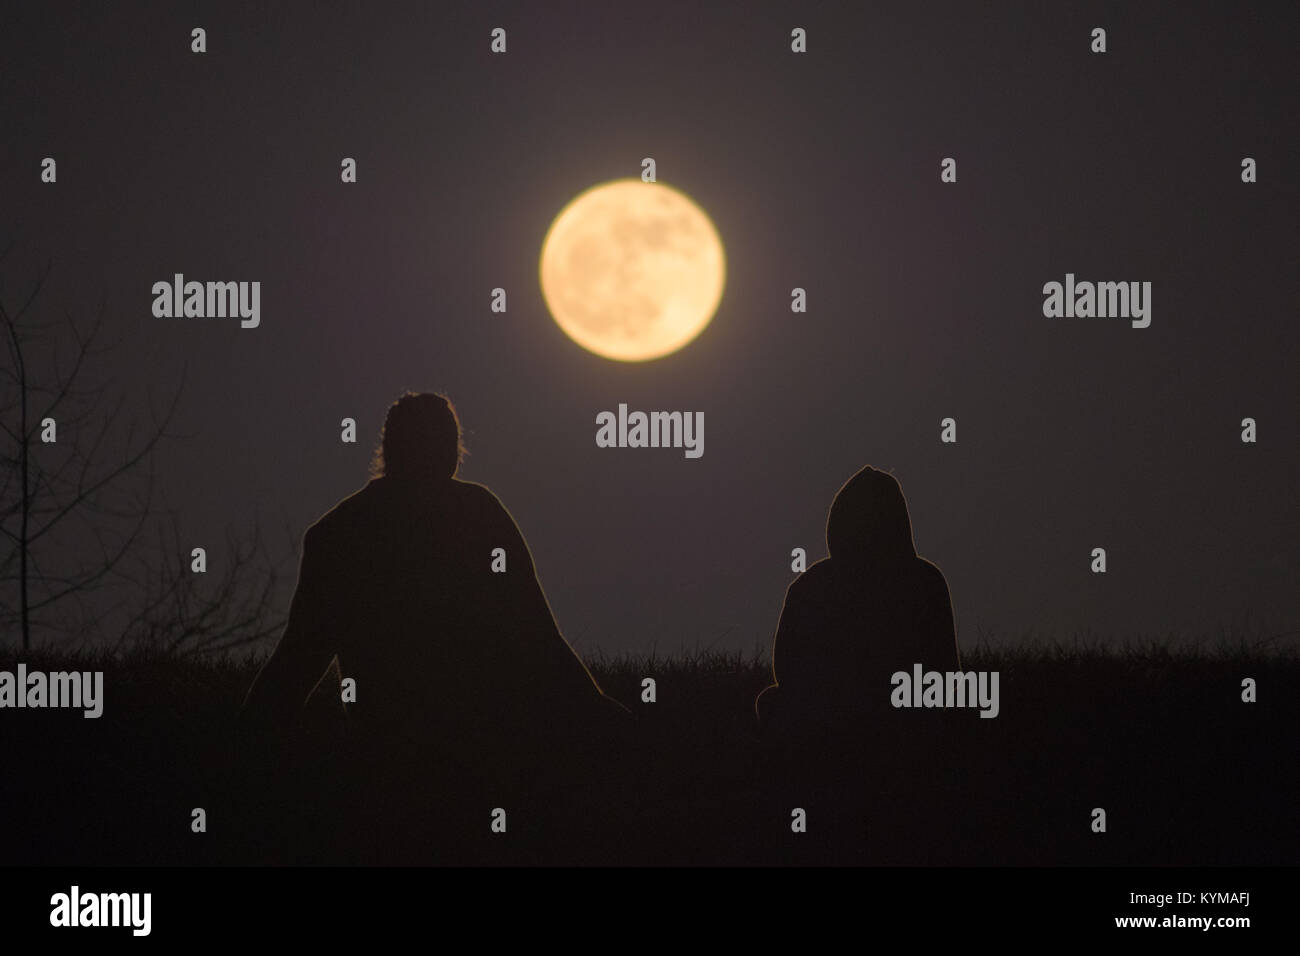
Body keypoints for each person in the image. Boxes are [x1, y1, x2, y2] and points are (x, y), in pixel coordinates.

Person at [240, 391, 617, 762]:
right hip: (487, 739)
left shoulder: (337, 532)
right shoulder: (479, 515)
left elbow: (294, 667)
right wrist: (603, 716)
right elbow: (540, 639)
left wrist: (238, 752)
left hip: (387, 743)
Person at [756, 465, 958, 733]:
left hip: (829, 721)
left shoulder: (812, 584)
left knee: (771, 701)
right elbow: (949, 673)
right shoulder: (927, 580)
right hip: (905, 721)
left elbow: (786, 669)